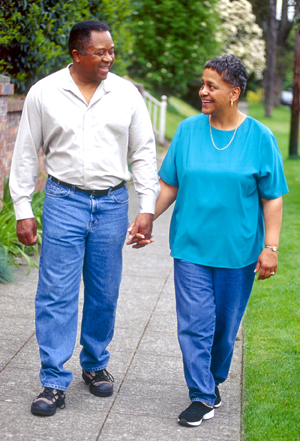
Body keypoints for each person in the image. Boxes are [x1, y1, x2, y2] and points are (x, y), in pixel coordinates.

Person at [127, 54, 288, 427]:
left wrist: (271, 247)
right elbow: (171, 183)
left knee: (225, 328)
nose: (202, 91)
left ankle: (213, 379)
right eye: (202, 84)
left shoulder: (259, 138)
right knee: (195, 323)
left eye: (211, 86)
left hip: (238, 250)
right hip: (191, 247)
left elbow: (272, 197)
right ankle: (200, 394)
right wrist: (148, 217)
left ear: (233, 92)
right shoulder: (187, 130)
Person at [9, 20, 159, 417]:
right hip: (63, 201)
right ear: (77, 55)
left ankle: (94, 365)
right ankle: (54, 381)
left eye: (112, 51)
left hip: (112, 204)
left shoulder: (126, 93)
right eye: (101, 52)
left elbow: (143, 151)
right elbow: (26, 152)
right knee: (55, 293)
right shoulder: (45, 92)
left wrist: (146, 207)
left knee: (104, 292)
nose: (110, 57)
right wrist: (23, 208)